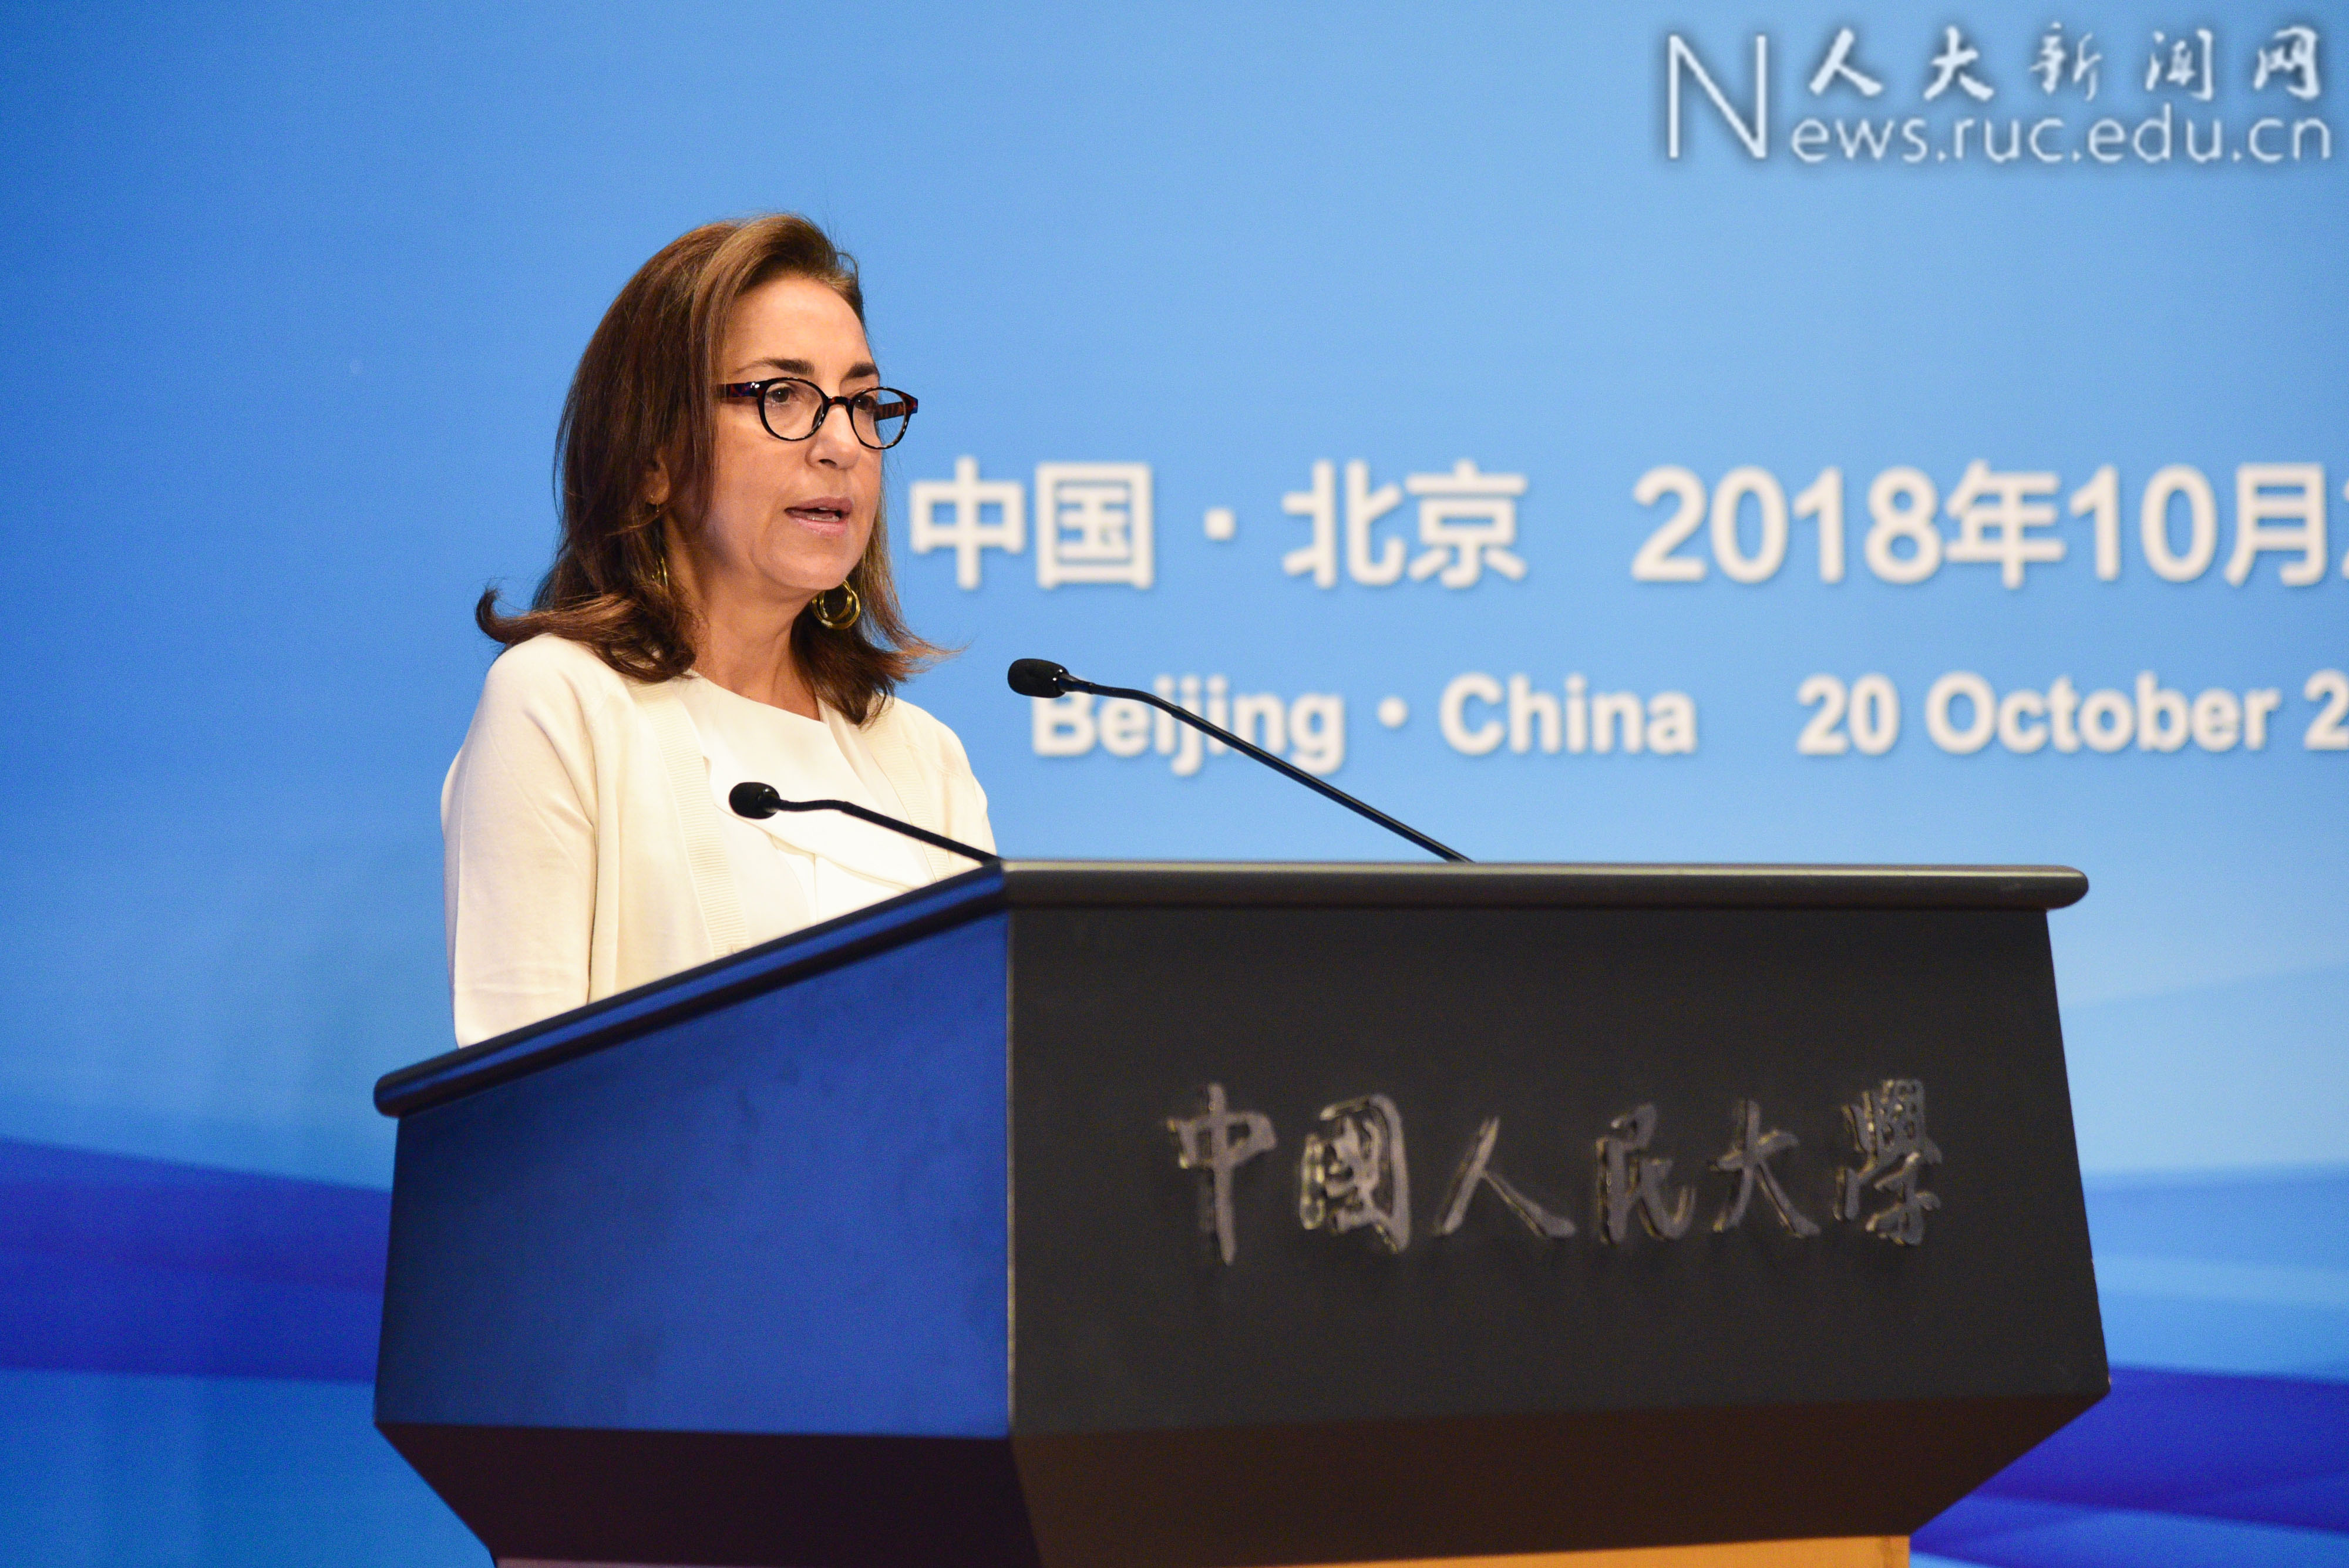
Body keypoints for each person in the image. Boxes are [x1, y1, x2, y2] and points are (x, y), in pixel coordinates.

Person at [442, 215, 992, 1047]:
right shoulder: (560, 705)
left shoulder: (921, 759)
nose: (842, 444)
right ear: (653, 457)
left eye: (861, 402)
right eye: (783, 396)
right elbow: (520, 1092)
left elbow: (983, 1062)